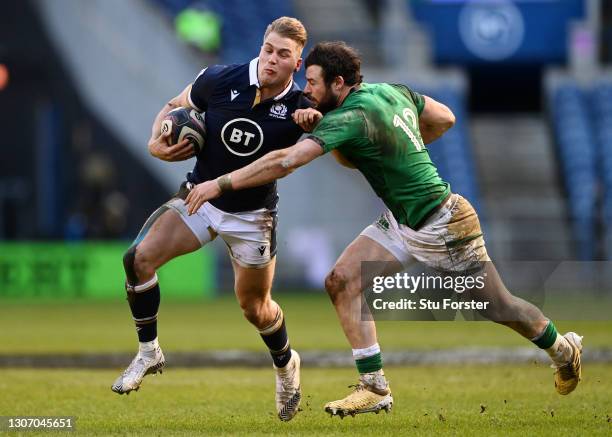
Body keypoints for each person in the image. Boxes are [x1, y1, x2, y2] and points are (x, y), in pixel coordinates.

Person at [183, 41, 584, 417]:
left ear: (338, 84)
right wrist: (401, 145)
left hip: (442, 223)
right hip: (401, 219)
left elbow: (286, 161)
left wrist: (219, 183)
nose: (306, 89)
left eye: (313, 82)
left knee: (501, 307)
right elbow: (444, 117)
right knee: (341, 281)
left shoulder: (351, 117)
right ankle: (374, 387)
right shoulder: (390, 91)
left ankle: (563, 350)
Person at [112, 17, 312, 422]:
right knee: (138, 259)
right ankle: (148, 352)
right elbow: (174, 106)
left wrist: (313, 122)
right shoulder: (220, 79)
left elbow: (286, 163)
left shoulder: (303, 107)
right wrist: (156, 142)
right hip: (200, 199)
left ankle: (286, 364)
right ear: (262, 46)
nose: (272, 60)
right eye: (268, 49)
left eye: (283, 55)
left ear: (298, 62)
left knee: (255, 308)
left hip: (254, 215)